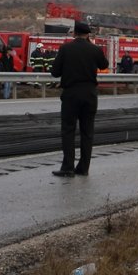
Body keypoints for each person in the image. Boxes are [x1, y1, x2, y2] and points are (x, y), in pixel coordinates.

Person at [50, 22, 109, 177]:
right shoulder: (95, 49)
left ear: (74, 33)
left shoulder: (66, 48)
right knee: (87, 132)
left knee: (68, 130)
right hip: (90, 94)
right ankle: (83, 168)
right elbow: (104, 64)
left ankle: (68, 167)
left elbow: (55, 72)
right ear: (88, 34)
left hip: (71, 94)